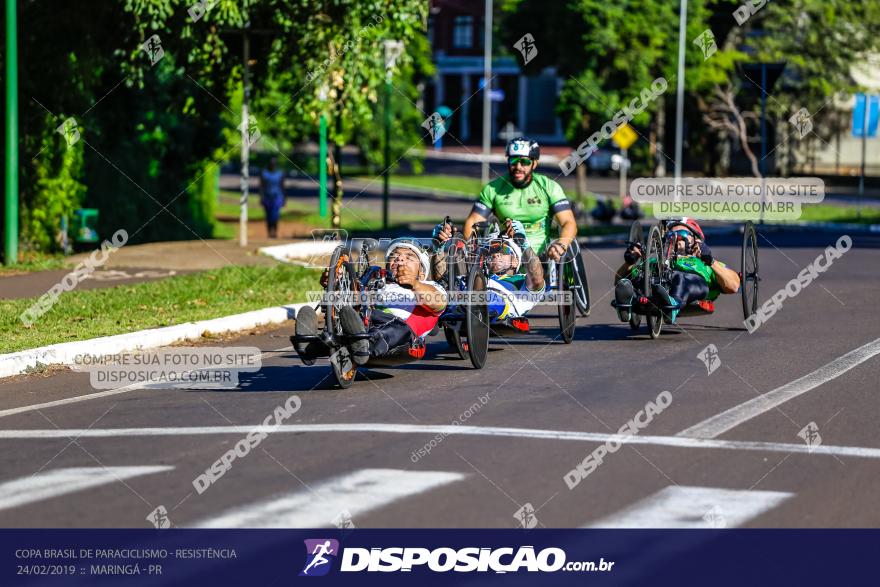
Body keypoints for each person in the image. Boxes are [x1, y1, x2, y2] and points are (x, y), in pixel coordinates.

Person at [293, 238, 447, 366]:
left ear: (421, 270)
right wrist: (334, 281)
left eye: (409, 257)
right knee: (351, 311)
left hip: (404, 339)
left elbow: (439, 304)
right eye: (395, 256)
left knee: (396, 328)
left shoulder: (429, 286)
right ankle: (310, 346)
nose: (400, 258)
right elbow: (350, 298)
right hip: (364, 321)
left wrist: (415, 284)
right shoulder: (376, 282)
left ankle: (363, 343)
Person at [461, 138, 578, 280]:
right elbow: (471, 222)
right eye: (513, 161)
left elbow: (568, 222)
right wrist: (473, 251)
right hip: (507, 253)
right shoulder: (493, 189)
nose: (518, 166)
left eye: (525, 162)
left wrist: (561, 245)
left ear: (534, 163)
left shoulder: (549, 187)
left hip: (541, 255)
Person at [613, 218, 741, 324]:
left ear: (695, 239)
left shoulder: (705, 263)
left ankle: (672, 303)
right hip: (656, 286)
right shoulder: (656, 261)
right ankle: (628, 302)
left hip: (694, 285)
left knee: (679, 278)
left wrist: (710, 261)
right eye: (671, 236)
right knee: (633, 280)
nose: (676, 240)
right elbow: (618, 281)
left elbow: (733, 286)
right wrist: (629, 262)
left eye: (681, 235)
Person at [433, 218, 545, 320]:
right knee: (444, 286)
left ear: (515, 261)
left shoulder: (522, 280)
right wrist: (438, 247)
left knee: (490, 296)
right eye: (490, 251)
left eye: (503, 251)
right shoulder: (471, 277)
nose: (496, 254)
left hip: (500, 303)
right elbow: (440, 280)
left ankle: (469, 305)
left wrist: (524, 244)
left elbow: (537, 278)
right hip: (467, 295)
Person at [259, 157, 285, 238]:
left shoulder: (280, 174)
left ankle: (275, 232)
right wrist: (261, 197)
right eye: (271, 164)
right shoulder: (264, 174)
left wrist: (284, 198)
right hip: (267, 197)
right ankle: (269, 232)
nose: (272, 165)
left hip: (277, 197)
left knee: (275, 216)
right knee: (268, 216)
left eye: (274, 164)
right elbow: (261, 186)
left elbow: (282, 186)